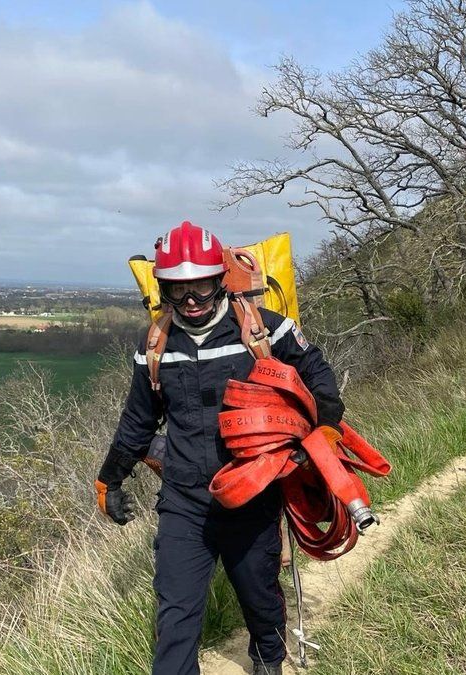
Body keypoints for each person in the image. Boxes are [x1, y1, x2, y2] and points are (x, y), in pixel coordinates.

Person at [96, 220, 344, 675]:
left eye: (203, 288)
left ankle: (268, 658)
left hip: (253, 492)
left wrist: (325, 431)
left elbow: (319, 377)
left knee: (258, 595)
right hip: (184, 499)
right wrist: (110, 477)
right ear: (162, 289)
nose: (191, 302)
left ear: (221, 281)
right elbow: (138, 419)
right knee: (175, 613)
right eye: (177, 290)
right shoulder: (155, 346)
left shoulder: (264, 331)